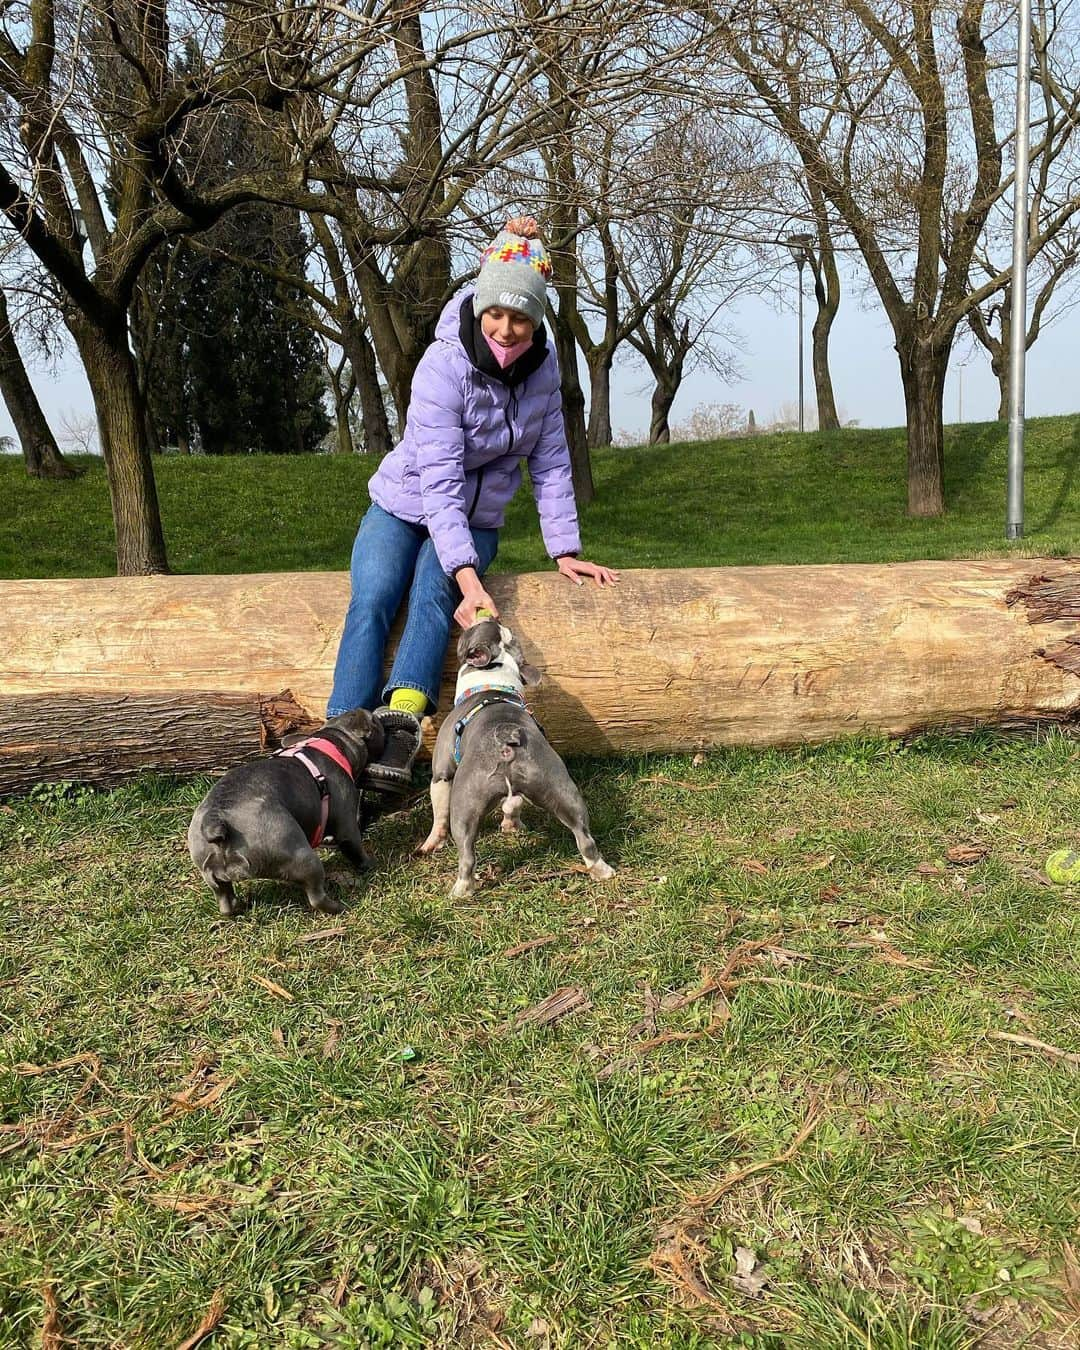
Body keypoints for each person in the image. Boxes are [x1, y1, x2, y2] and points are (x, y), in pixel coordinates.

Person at [327, 215, 618, 793]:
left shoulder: (543, 372)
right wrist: (471, 578)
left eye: (521, 318)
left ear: (537, 321)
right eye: (497, 313)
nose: (507, 330)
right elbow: (438, 479)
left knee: (433, 589)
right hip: (402, 503)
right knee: (377, 592)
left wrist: (565, 549)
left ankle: (405, 718)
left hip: (477, 518)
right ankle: (340, 733)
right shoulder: (443, 365)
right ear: (480, 305)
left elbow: (553, 460)